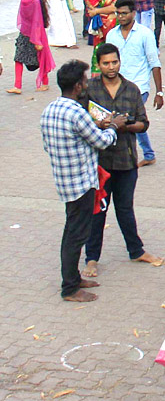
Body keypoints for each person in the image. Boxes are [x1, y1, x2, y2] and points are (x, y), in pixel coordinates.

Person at [40, 59, 122, 302]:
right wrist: (114, 127)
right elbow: (102, 141)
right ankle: (70, 288)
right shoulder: (77, 112)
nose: (86, 85)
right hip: (81, 183)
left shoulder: (50, 109)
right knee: (76, 235)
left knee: (72, 230)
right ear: (77, 86)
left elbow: (49, 145)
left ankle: (73, 278)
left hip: (64, 180)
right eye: (85, 82)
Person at [81, 42, 163, 277]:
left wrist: (123, 126)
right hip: (99, 162)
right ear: (99, 64)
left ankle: (136, 250)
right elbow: (82, 120)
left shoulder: (131, 89)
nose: (111, 67)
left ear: (119, 62)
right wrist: (101, 125)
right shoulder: (90, 89)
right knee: (98, 211)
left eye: (114, 62)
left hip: (126, 161)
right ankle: (92, 258)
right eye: (106, 63)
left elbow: (143, 123)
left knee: (125, 209)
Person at [107, 0, 164, 166]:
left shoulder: (145, 34)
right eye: (118, 13)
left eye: (124, 13)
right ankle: (146, 154)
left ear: (133, 13)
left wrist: (159, 92)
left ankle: (141, 154)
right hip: (116, 86)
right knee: (126, 120)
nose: (121, 17)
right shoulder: (112, 35)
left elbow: (155, 63)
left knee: (129, 118)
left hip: (139, 86)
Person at [11, 0, 54, 92]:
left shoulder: (34, 0)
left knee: (40, 58)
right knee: (18, 57)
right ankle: (17, 86)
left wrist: (37, 39)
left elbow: (37, 20)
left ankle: (45, 82)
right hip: (24, 32)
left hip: (35, 33)